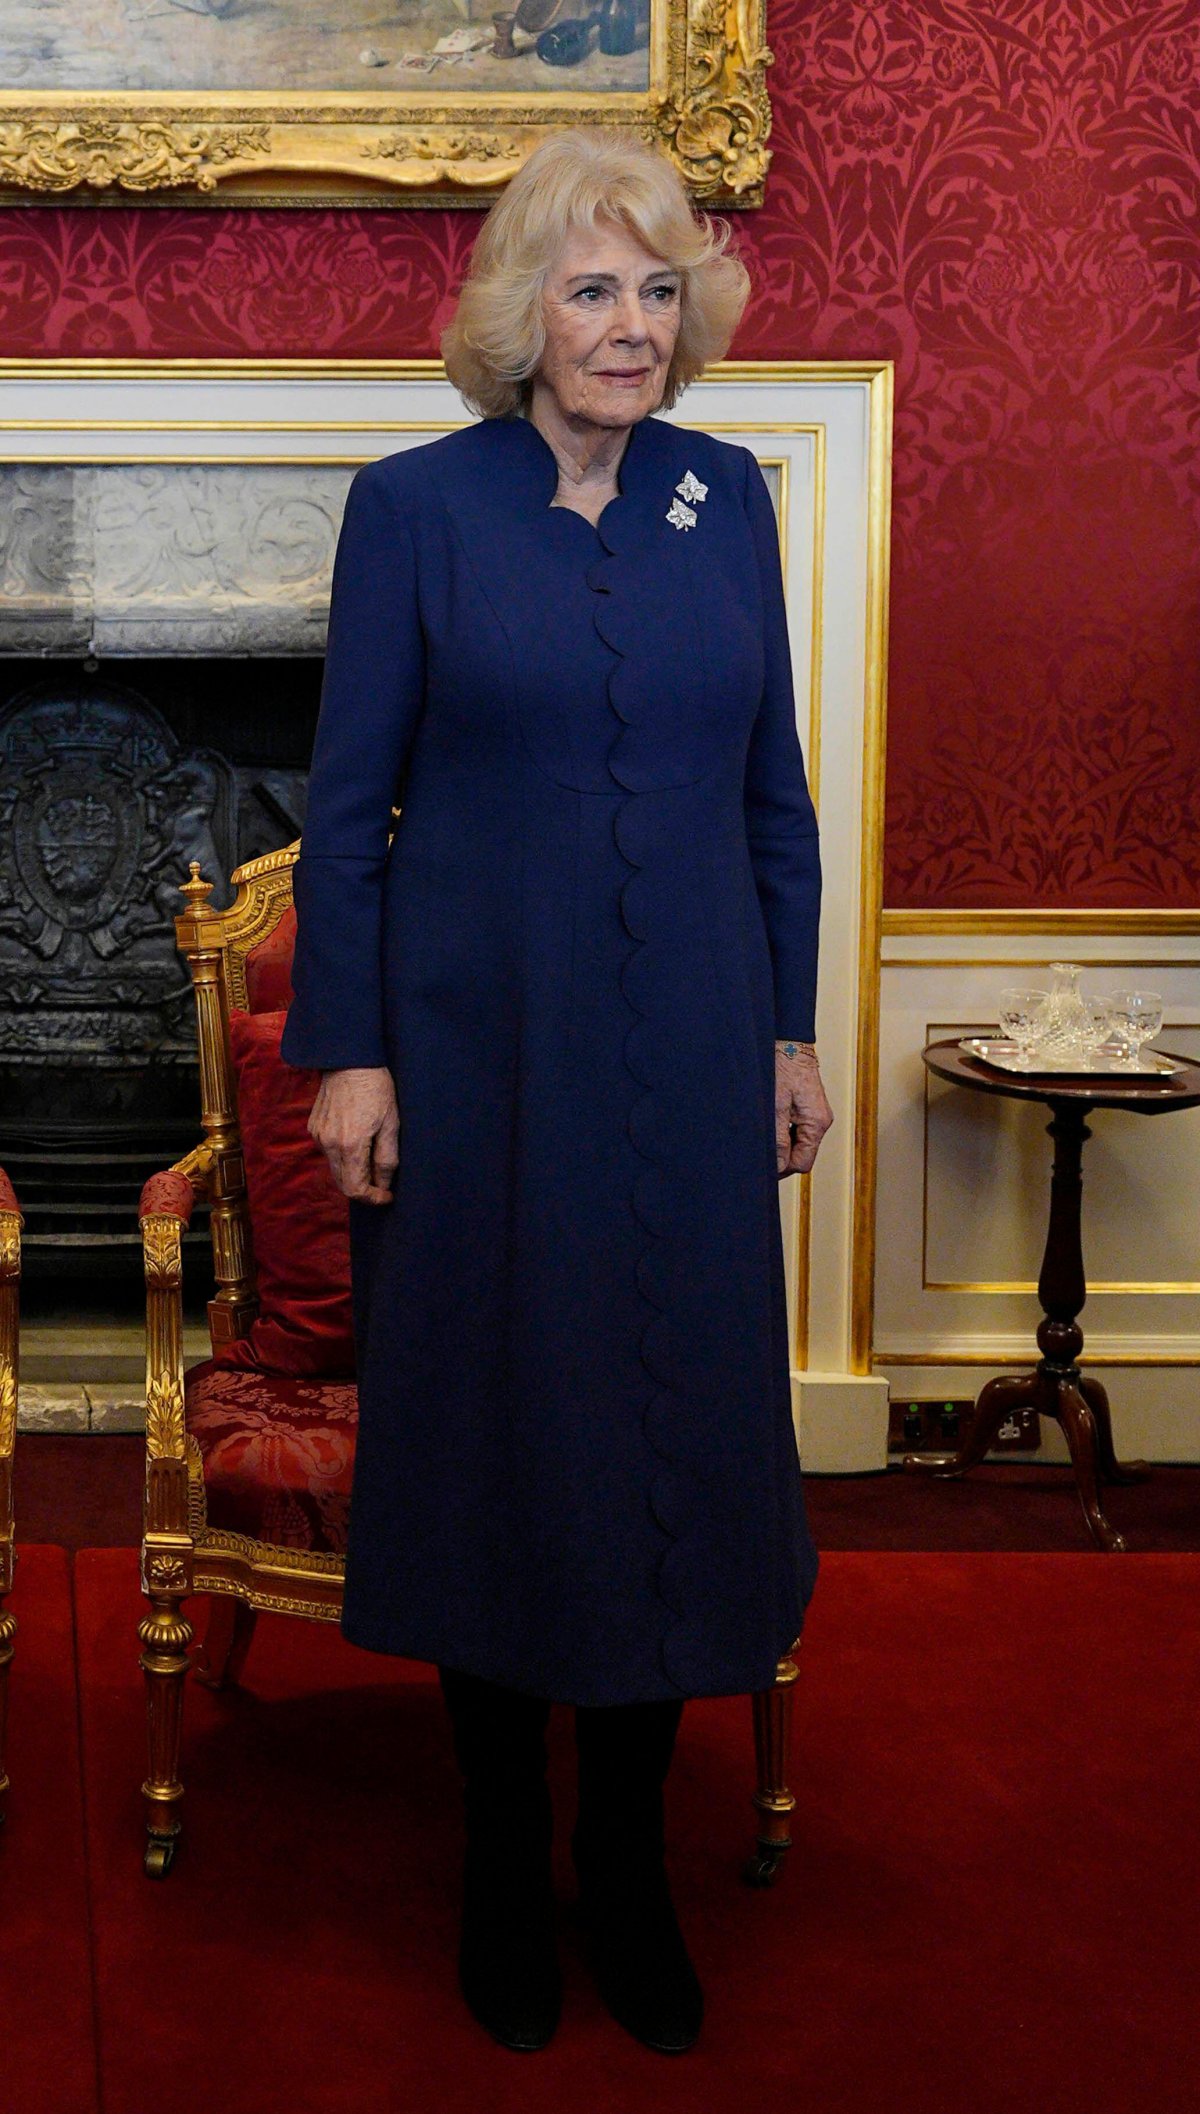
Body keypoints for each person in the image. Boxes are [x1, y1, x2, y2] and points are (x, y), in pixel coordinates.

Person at [280, 126, 833, 2056]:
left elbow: (776, 791)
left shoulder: (727, 499)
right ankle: (505, 1856)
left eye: (659, 288)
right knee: (507, 1435)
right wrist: (347, 1048)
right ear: (520, 322)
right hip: (479, 1052)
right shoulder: (418, 506)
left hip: (691, 1049)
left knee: (669, 1435)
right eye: (592, 289)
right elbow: (348, 814)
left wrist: (786, 1029)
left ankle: (628, 1859)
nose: (630, 324)